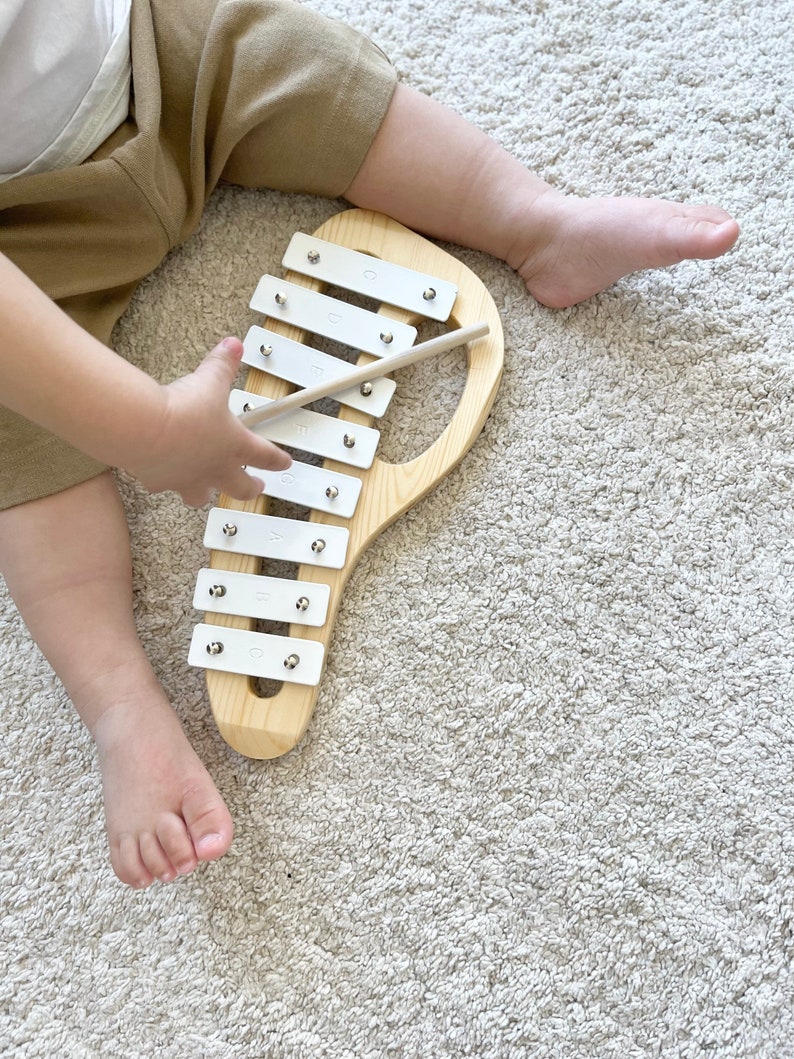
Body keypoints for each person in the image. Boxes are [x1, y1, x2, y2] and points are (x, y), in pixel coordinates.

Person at [0, 0, 739, 889]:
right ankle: (120, 705)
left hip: (151, 51)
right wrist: (146, 429)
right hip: (22, 232)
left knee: (302, 66)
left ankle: (534, 221)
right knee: (20, 430)